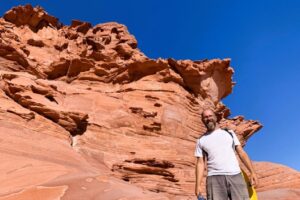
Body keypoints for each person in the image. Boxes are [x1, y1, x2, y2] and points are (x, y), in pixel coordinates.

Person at [195, 109, 258, 200]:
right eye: (205, 117)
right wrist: (198, 185)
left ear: (215, 117)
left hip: (235, 175)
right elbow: (200, 163)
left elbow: (241, 152)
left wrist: (252, 172)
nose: (208, 118)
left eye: (210, 116)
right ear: (202, 120)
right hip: (214, 179)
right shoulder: (201, 140)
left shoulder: (229, 133)